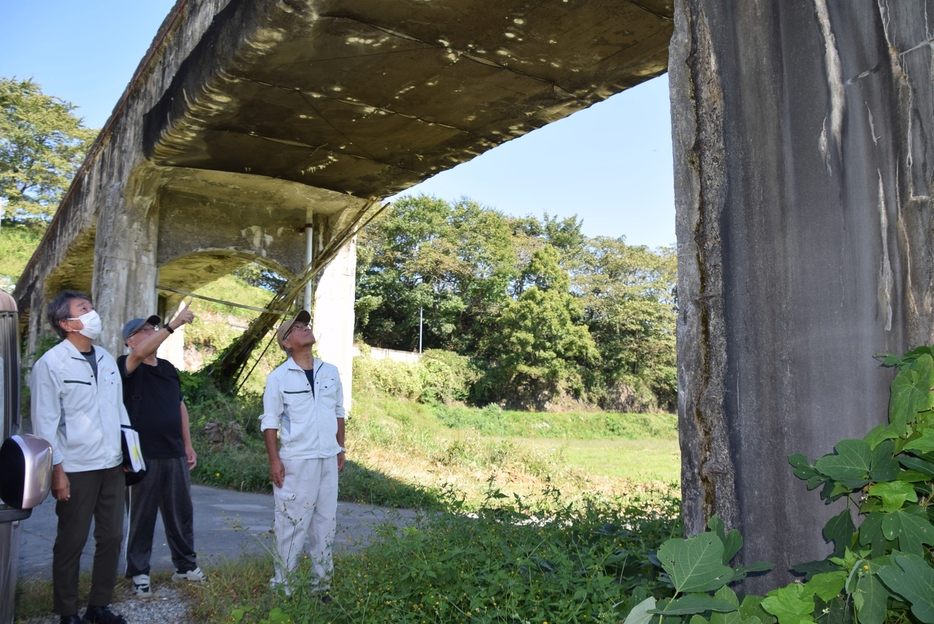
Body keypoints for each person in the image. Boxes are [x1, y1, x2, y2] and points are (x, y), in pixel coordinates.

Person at [31, 291, 130, 624]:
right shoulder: (51, 364)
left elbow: (119, 410)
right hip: (75, 467)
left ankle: (99, 606)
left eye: (91, 307)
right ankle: (67, 611)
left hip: (112, 465)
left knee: (113, 536)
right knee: (72, 540)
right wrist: (57, 472)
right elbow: (45, 424)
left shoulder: (104, 358)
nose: (92, 313)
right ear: (66, 323)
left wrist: (129, 452)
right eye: (83, 309)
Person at [118, 302, 205, 598]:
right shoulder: (126, 365)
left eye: (152, 328)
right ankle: (139, 573)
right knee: (141, 517)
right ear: (130, 341)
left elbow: (179, 406)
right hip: (141, 456)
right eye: (144, 330)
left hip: (174, 452)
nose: (151, 332)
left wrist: (188, 444)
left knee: (181, 512)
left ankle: (185, 566)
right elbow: (141, 355)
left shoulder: (168, 369)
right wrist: (173, 324)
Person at [261, 310, 346, 600]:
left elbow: (338, 412)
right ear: (286, 343)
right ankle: (283, 586)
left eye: (305, 324)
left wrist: (340, 448)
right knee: (291, 524)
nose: (305, 328)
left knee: (325, 524)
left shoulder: (330, 371)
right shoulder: (278, 378)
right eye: (296, 328)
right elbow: (270, 421)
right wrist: (275, 461)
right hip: (296, 460)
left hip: (327, 459)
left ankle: (321, 586)